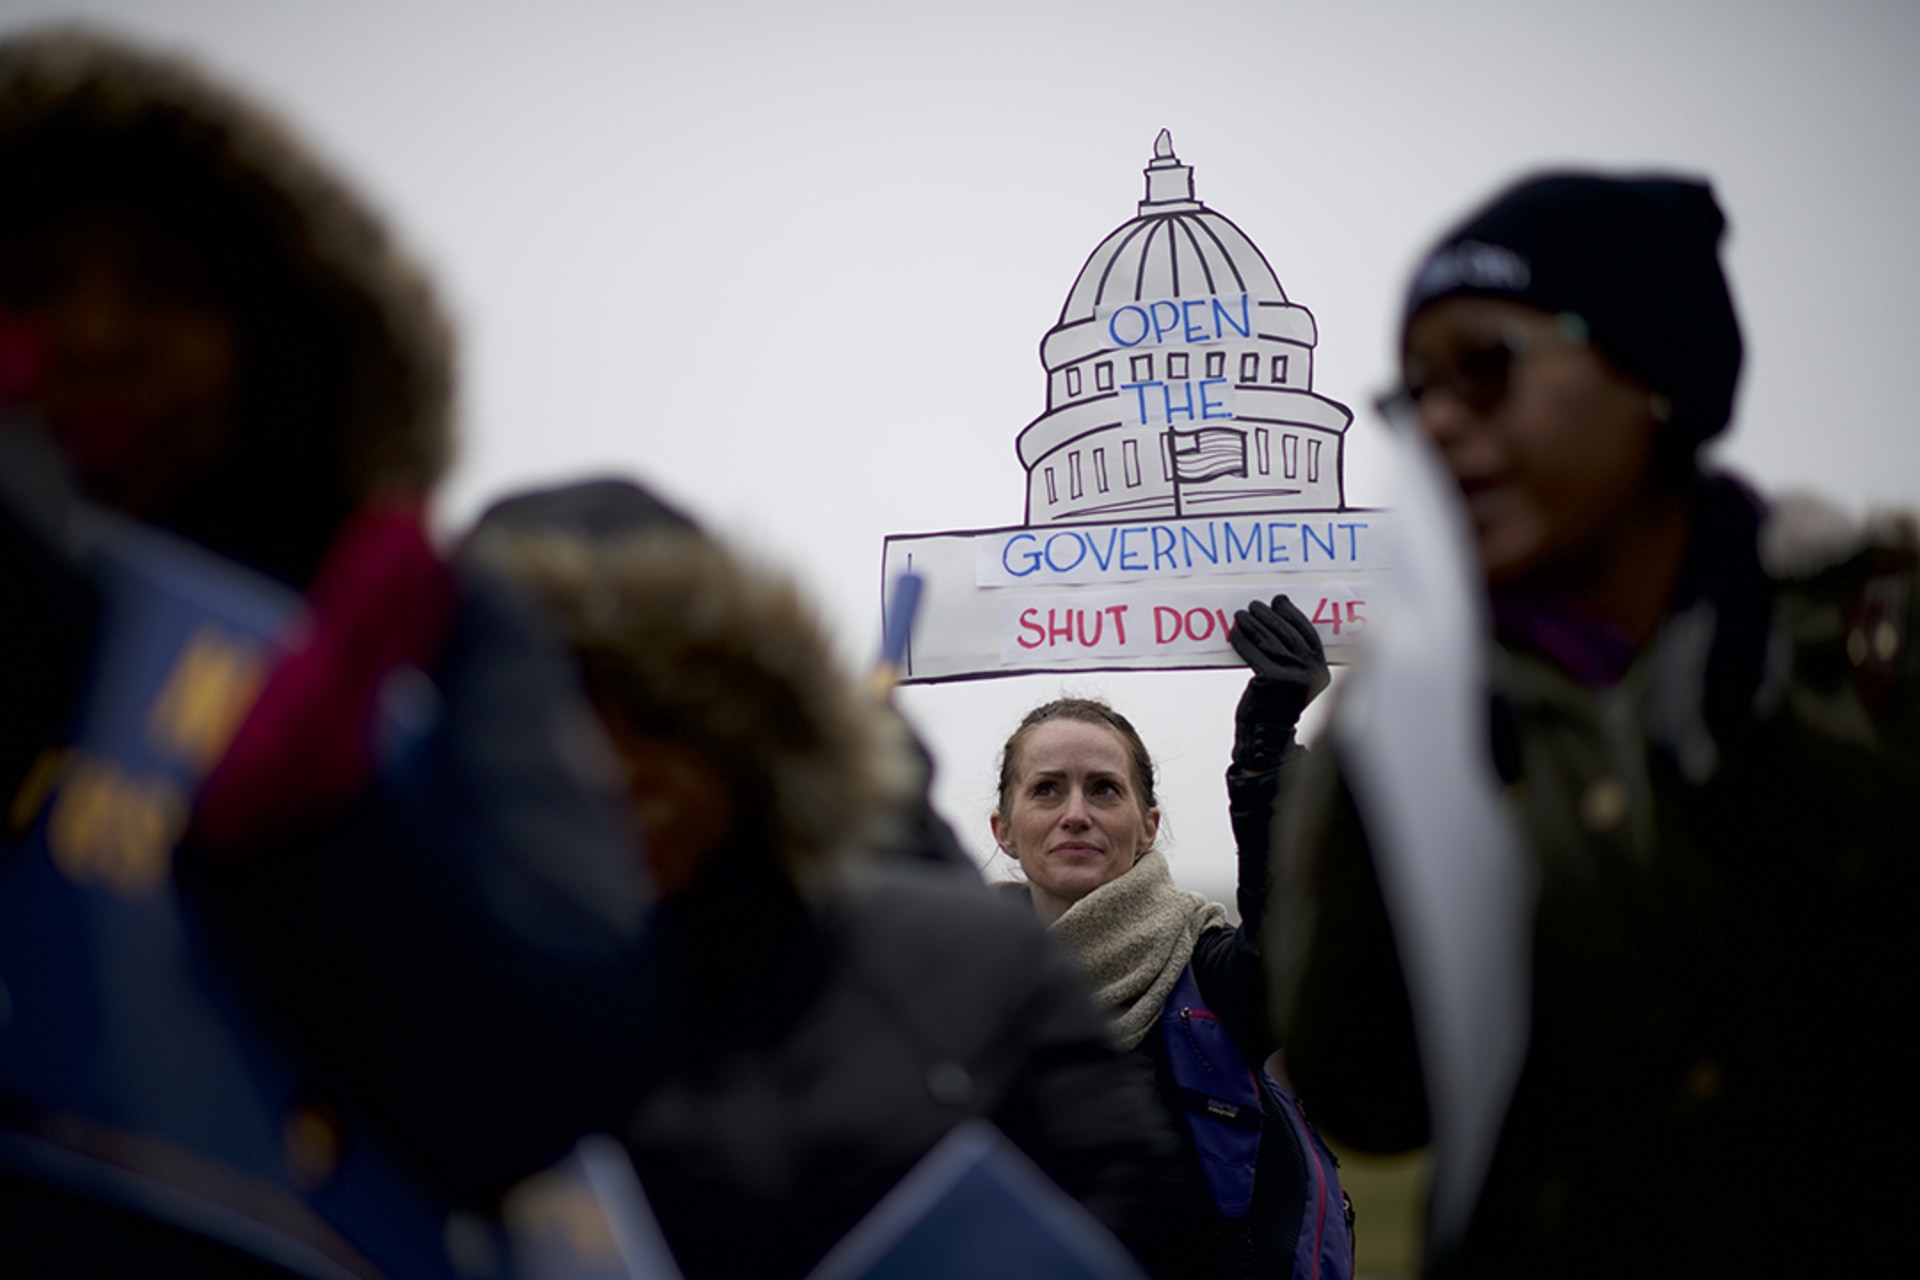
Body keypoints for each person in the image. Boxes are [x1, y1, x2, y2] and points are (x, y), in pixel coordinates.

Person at [0, 25, 653, 1273]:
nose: (91, 335)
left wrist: (316, 842)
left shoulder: (421, 623)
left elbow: (552, 1065)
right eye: (29, 284)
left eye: (162, 285)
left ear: (276, 334)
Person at [1268, 171, 1920, 1276]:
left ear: (1651, 370)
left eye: (1486, 367)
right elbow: (1368, 1093)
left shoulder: (1862, 654)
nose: (1436, 419)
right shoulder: (1419, 721)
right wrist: (1370, 754)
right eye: (1413, 392)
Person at [472, 477, 1185, 1279]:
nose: (601, 767)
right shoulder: (434, 1010)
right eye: (534, 722)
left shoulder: (981, 968)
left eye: (649, 713)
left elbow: (1129, 1226)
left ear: (740, 723)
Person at [990, 593, 1336, 1279]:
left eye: (1105, 790)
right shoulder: (959, 987)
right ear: (1004, 828)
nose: (1077, 814)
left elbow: (1285, 953)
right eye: (1048, 789)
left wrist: (1267, 749)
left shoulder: (1207, 972)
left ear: (1148, 825)